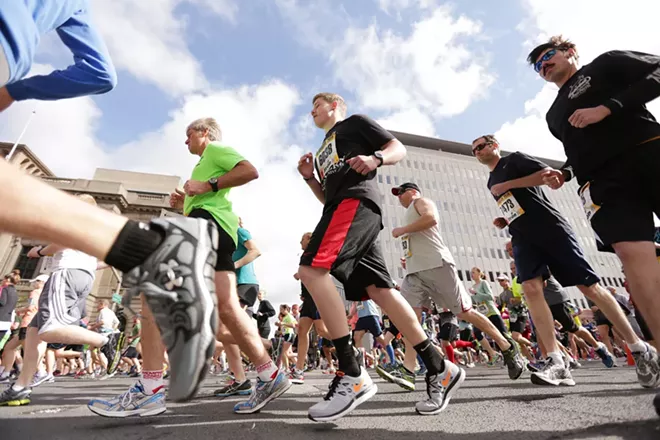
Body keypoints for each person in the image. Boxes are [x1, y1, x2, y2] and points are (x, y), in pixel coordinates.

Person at [89, 117, 291, 417]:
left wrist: (206, 185)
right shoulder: (205, 163)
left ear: (204, 134)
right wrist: (186, 200)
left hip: (208, 227)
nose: (185, 142)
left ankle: (149, 389)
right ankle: (270, 375)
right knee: (227, 308)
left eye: (188, 135)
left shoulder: (216, 149)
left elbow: (250, 171)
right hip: (217, 230)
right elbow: (211, 197)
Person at [297, 93, 459, 421]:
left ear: (333, 106)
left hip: (357, 204)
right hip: (343, 206)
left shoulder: (354, 123)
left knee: (312, 270)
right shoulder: (323, 152)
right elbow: (327, 196)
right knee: (380, 291)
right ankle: (439, 367)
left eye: (317, 104)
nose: (312, 110)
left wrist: (376, 159)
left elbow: (397, 147)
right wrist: (310, 177)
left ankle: (352, 371)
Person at [527, 36, 660, 398]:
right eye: (537, 65)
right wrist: (566, 172)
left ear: (569, 52)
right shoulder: (553, 115)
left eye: (547, 56)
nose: (543, 65)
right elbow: (581, 146)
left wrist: (609, 106)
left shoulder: (605, 64)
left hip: (648, 152)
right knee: (633, 257)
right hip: (604, 182)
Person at [472, 134, 655, 387]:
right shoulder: (491, 178)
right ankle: (555, 360)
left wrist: (508, 186)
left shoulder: (514, 160)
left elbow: (546, 175)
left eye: (481, 146)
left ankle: (638, 347)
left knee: (588, 287)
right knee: (530, 288)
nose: (477, 152)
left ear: (494, 146)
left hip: (550, 228)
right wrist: (505, 218)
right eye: (474, 150)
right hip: (522, 236)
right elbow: (518, 202)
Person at [390, 182, 524, 383]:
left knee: (464, 312)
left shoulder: (421, 201)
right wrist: (408, 258)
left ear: (412, 191)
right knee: (410, 316)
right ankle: (409, 368)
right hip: (415, 271)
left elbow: (431, 219)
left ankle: (506, 346)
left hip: (437, 264)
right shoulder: (409, 212)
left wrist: (402, 230)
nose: (398, 197)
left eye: (400, 193)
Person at [0, 0, 117, 111]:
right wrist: (13, 91)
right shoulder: (78, 5)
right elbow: (101, 74)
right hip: (8, 55)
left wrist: (15, 91)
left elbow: (102, 75)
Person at [291, 232, 330, 385]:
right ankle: (299, 370)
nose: (300, 242)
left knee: (321, 331)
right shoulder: (306, 255)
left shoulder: (316, 252)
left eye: (302, 239)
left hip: (317, 296)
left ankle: (348, 347)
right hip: (308, 299)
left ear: (309, 240)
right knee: (302, 331)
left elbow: (320, 271)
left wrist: (300, 274)